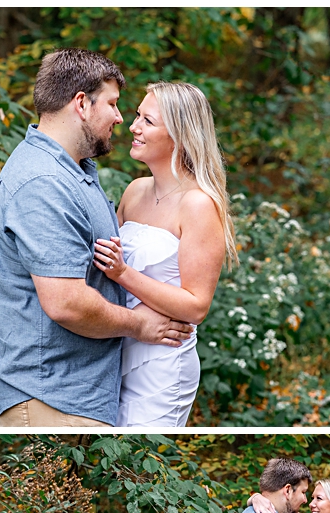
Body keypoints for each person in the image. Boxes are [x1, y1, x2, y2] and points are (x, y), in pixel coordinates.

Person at [0, 49, 193, 428]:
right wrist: (139, 326)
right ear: (81, 104)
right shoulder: (45, 182)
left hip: (72, 393)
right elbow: (67, 303)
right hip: (46, 395)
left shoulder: (74, 170)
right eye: (113, 104)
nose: (122, 119)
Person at [91, 82, 235, 427]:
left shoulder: (198, 204)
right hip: (118, 348)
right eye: (137, 116)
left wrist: (124, 274)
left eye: (148, 121)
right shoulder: (135, 190)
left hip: (163, 363)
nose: (133, 127)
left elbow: (196, 306)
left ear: (180, 136)